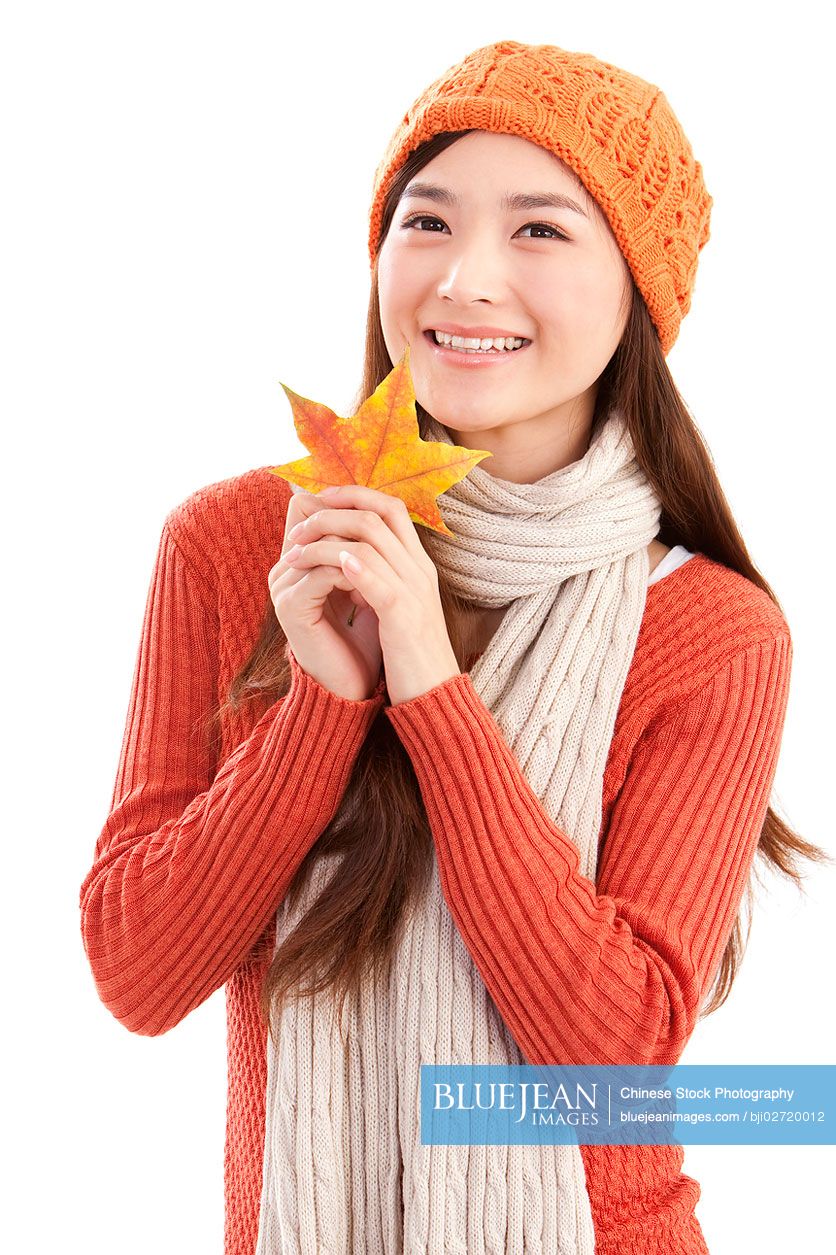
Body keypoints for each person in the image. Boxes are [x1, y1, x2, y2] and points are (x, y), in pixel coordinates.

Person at [78, 39, 826, 1255]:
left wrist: (427, 682)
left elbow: (613, 1050)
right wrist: (324, 696)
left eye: (538, 230)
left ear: (637, 291)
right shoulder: (236, 549)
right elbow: (139, 974)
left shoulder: (712, 629)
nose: (463, 279)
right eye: (425, 221)